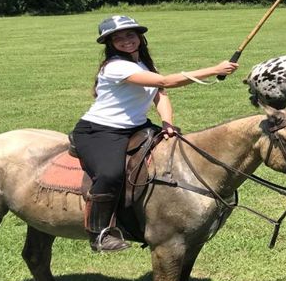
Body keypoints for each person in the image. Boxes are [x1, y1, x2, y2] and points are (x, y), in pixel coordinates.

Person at [73, 15, 238, 252]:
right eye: (118, 38)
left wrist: (167, 122)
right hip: (100, 130)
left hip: (136, 127)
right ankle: (99, 232)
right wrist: (213, 69)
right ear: (110, 44)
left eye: (130, 34)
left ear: (139, 36)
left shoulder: (142, 65)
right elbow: (166, 81)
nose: (126, 40)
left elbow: (160, 93)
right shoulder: (115, 67)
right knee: (110, 174)